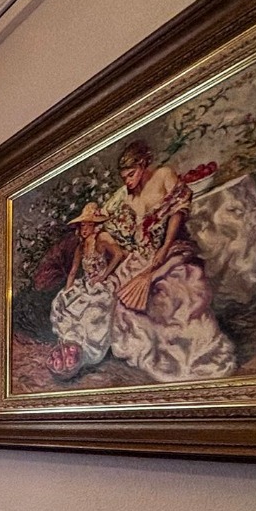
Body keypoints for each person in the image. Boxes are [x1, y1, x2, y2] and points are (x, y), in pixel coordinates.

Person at [99, 140, 235, 383]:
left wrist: (163, 249)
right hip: (146, 254)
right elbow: (136, 234)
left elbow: (178, 212)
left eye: (131, 174)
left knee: (173, 289)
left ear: (143, 165)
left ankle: (189, 349)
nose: (128, 181)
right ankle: (151, 348)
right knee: (125, 294)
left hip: (172, 246)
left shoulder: (163, 175)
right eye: (124, 177)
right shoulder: (130, 198)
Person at [47, 203, 127, 377]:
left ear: (95, 225)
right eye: (82, 225)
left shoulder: (102, 238)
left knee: (93, 311)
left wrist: (103, 275)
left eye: (88, 225)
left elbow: (118, 255)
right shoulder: (81, 246)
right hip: (86, 284)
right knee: (62, 304)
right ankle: (73, 348)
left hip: (103, 284)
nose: (84, 229)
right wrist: (67, 291)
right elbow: (73, 271)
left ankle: (89, 348)